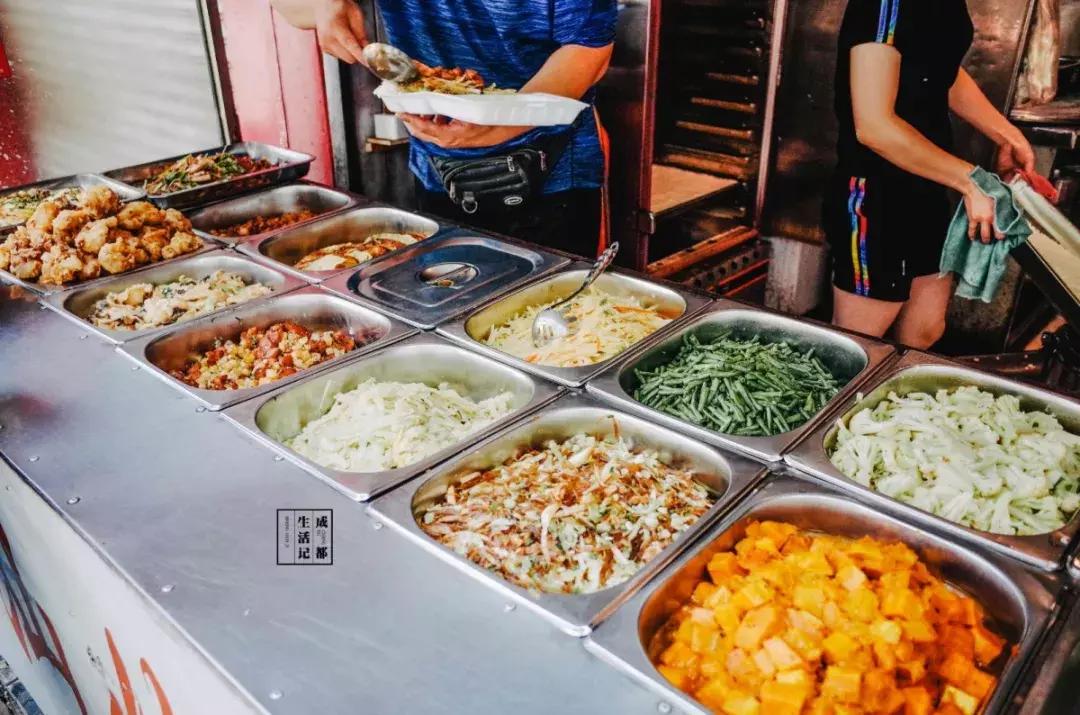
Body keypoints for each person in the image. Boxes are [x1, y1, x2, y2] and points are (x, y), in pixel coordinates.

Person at [271, 0, 615, 256]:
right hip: (439, 171)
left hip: (551, 174)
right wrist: (323, 5)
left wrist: (500, 123)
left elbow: (589, 51)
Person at [826, 0, 1036, 348]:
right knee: (858, 345)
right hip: (876, 195)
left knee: (923, 330)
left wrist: (1006, 134)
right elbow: (874, 126)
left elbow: (940, 70)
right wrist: (968, 180)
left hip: (927, 183)